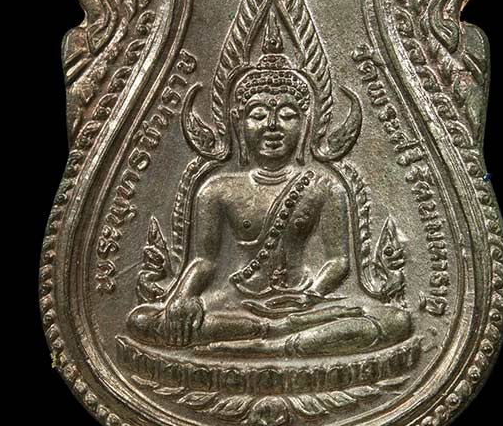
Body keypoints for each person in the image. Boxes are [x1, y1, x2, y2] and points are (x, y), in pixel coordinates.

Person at [127, 47, 411, 356]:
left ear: (306, 124)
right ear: (238, 123)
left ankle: (268, 341)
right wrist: (183, 295)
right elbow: (205, 260)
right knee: (141, 320)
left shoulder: (324, 186)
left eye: (287, 115)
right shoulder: (217, 189)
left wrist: (311, 295)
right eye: (258, 114)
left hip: (305, 302)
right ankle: (279, 337)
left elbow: (338, 261)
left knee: (396, 320)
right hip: (236, 301)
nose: (272, 124)